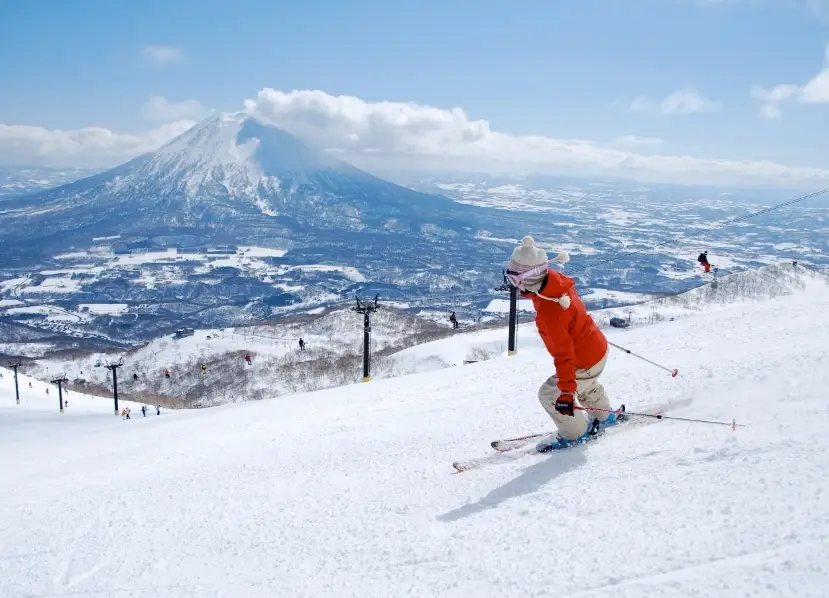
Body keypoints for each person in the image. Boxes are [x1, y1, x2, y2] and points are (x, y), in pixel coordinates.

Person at [506, 236, 621, 448]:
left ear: (528, 279)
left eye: (514, 279)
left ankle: (576, 434)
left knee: (550, 394)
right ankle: (605, 417)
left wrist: (566, 393)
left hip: (583, 358)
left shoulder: (549, 312)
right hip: (596, 348)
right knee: (586, 385)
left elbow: (563, 355)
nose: (513, 284)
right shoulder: (556, 283)